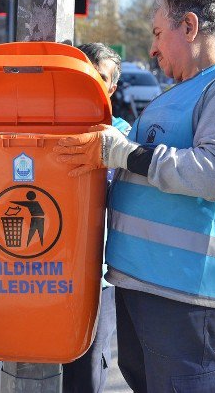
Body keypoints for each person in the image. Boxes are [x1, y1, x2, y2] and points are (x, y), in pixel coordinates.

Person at [55, 0, 215, 392]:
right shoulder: (181, 93)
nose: (153, 49)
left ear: (189, 27)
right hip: (146, 284)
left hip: (184, 292)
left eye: (158, 34)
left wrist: (121, 153)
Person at [61, 42, 128, 393]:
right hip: (50, 271)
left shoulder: (121, 136)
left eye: (99, 77)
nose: (90, 83)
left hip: (98, 279)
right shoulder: (52, 126)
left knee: (85, 373)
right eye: (84, 74)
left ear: (112, 88)